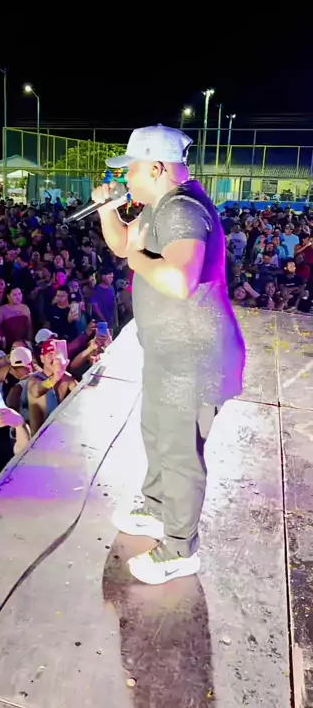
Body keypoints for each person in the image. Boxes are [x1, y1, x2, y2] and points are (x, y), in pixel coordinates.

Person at [94, 125, 245, 585]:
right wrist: (107, 210)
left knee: (180, 453)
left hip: (194, 360)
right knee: (157, 434)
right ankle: (157, 508)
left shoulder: (181, 209)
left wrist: (137, 260)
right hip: (170, 356)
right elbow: (123, 243)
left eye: (131, 169)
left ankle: (180, 548)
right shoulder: (159, 205)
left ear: (156, 168)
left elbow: (179, 280)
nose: (125, 178)